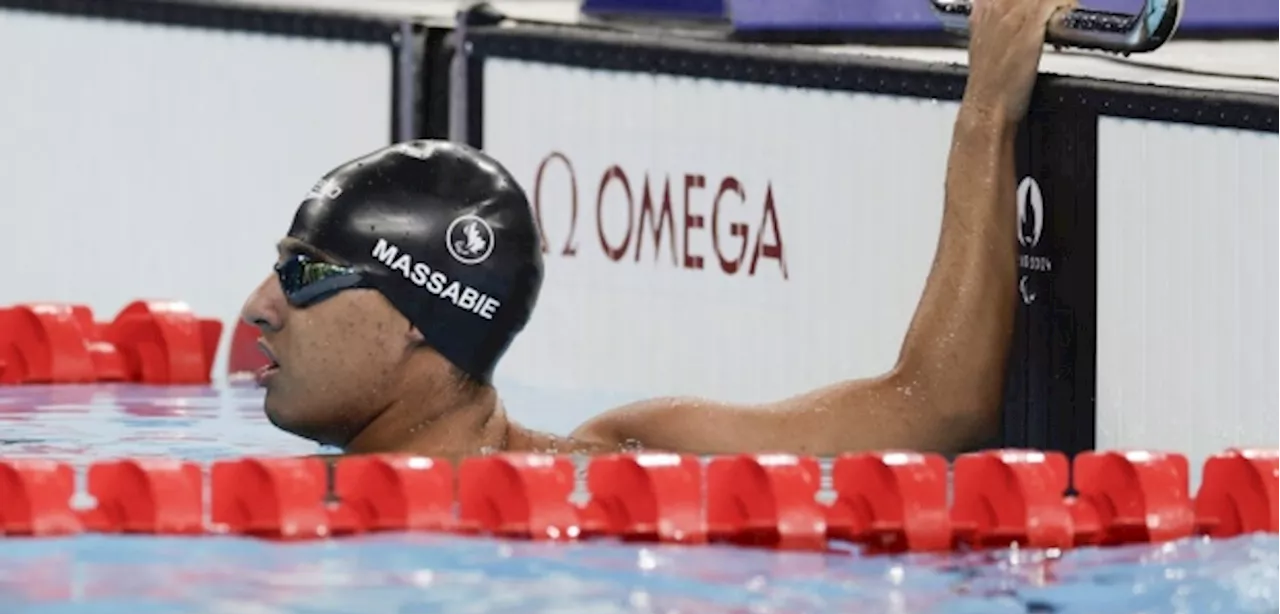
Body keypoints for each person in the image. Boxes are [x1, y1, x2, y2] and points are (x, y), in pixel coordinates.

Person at [240, 0, 1075, 459]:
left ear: (422, 314)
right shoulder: (633, 467)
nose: (259, 308)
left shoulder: (643, 455)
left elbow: (938, 410)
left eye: (307, 274)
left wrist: (988, 111)